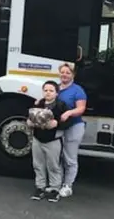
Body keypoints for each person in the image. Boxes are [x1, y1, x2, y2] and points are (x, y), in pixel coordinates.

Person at [28, 81, 70, 203]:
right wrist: (29, 122)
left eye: (51, 90)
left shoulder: (61, 106)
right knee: (38, 164)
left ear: (56, 93)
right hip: (37, 138)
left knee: (53, 165)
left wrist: (58, 124)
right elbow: (30, 116)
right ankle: (40, 187)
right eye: (45, 90)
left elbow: (67, 122)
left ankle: (54, 189)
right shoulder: (38, 104)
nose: (48, 93)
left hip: (53, 140)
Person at [56, 63, 87, 198]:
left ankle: (68, 185)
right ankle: (56, 183)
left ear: (73, 75)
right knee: (57, 156)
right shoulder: (55, 88)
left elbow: (81, 109)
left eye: (68, 73)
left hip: (74, 126)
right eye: (62, 72)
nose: (64, 75)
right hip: (58, 126)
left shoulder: (77, 90)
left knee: (70, 158)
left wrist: (69, 113)